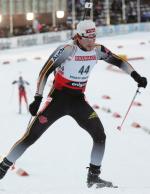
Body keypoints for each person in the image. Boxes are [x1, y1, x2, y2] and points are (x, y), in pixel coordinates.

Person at [0, 20, 147, 187]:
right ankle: (2, 168)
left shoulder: (98, 50)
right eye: (88, 38)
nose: (92, 42)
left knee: (100, 136)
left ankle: (93, 176)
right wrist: (38, 98)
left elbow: (119, 61)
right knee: (31, 137)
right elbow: (44, 72)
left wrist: (136, 76)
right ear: (79, 37)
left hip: (78, 101)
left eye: (94, 37)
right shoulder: (67, 50)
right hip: (57, 100)